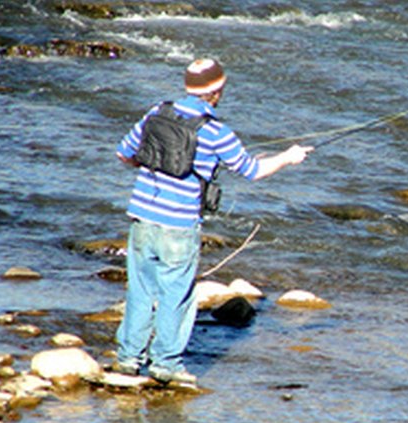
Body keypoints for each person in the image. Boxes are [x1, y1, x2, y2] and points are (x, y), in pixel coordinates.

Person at [113, 58, 313, 384]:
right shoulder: (217, 132)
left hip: (142, 217)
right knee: (176, 295)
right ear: (216, 92)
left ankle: (128, 359)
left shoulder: (155, 112)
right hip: (179, 226)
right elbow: (252, 170)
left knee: (140, 290)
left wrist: (153, 165)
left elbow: (124, 154)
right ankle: (165, 364)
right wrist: (289, 158)